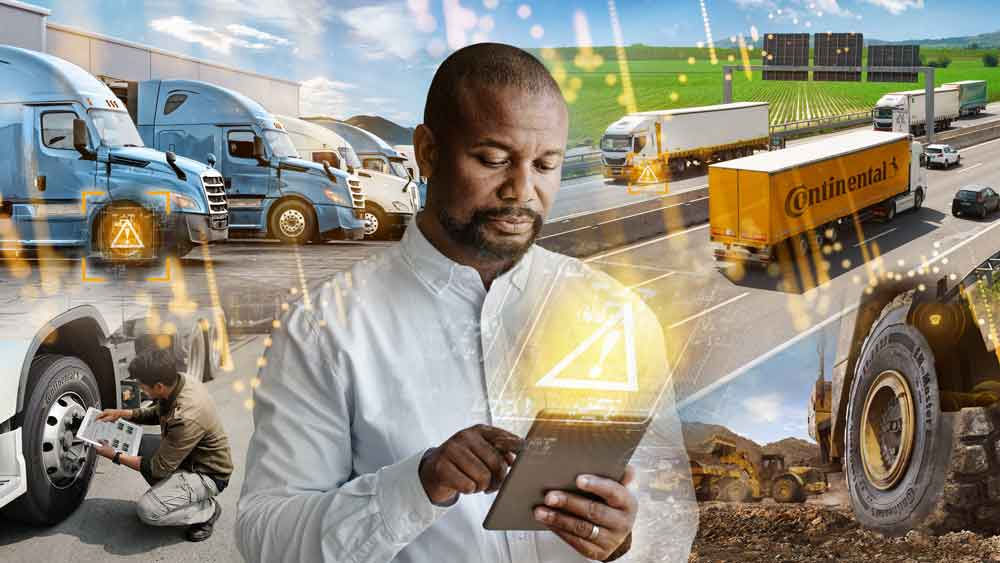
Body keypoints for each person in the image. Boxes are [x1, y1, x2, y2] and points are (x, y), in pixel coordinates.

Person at [236, 42, 696, 563]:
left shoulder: (617, 313)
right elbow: (266, 538)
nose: (522, 190)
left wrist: (627, 542)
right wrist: (417, 485)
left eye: (546, 164)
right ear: (427, 152)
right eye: (494, 160)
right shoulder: (324, 328)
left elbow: (671, 509)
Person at [94, 348, 234, 542]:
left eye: (142, 386)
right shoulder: (178, 381)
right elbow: (156, 412)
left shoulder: (186, 415)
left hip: (208, 474)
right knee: (138, 443)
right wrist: (122, 414)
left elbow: (158, 468)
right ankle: (177, 494)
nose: (141, 390)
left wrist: (114, 455)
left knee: (148, 510)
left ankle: (207, 510)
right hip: (188, 455)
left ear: (159, 386)